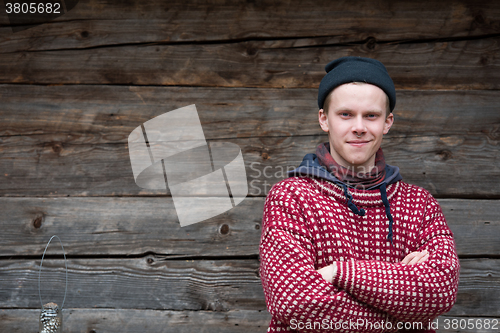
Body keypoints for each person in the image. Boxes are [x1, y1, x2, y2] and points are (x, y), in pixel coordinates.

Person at [258, 56, 459, 333]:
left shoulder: (419, 205)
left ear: (387, 122)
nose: (359, 127)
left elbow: (441, 289)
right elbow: (294, 302)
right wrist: (406, 310)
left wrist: (337, 273)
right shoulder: (293, 197)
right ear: (323, 119)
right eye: (345, 114)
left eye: (371, 115)